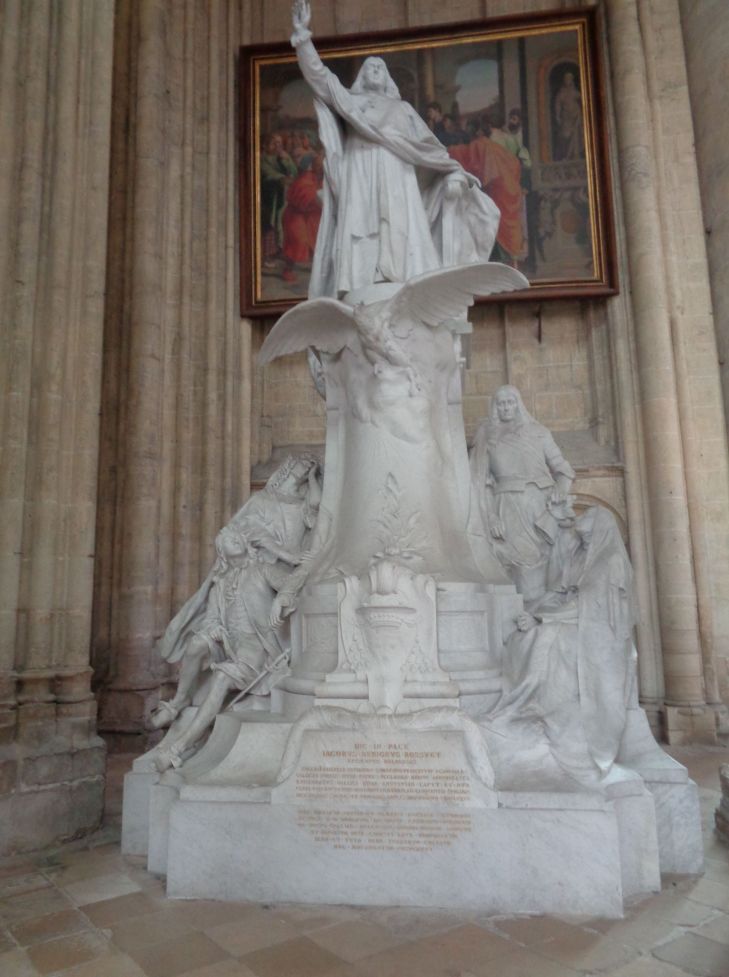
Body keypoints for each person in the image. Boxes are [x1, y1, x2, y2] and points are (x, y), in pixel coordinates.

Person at [290, 0, 500, 298]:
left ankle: (396, 276)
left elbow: (430, 148)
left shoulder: (402, 109)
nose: (375, 68)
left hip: (395, 173)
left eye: (380, 66)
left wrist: (455, 172)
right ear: (362, 76)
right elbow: (320, 77)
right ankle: (360, 281)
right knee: (360, 228)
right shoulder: (350, 101)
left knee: (396, 226)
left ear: (387, 78)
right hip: (360, 170)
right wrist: (303, 38)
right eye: (370, 66)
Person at [150, 456, 322, 768]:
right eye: (226, 537)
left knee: (221, 678)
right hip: (228, 637)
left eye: (233, 536)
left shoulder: (263, 568)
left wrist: (288, 585)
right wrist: (214, 628)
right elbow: (217, 611)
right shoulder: (225, 578)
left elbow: (288, 580)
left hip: (255, 646)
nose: (229, 535)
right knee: (195, 645)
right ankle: (179, 701)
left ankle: (179, 747)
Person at [497, 507, 635, 783]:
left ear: (599, 527)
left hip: (597, 634)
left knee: (548, 640)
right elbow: (561, 593)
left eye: (586, 519)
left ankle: (535, 710)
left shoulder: (609, 561)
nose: (578, 522)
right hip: (575, 621)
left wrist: (539, 618)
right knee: (527, 639)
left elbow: (589, 606)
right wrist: (535, 610)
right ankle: (526, 709)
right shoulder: (579, 554)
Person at [470, 385, 574, 602]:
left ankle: (538, 617)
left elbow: (563, 469)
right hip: (508, 506)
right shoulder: (487, 435)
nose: (506, 408)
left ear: (519, 404)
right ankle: (522, 620)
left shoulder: (539, 432)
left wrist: (561, 489)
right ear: (495, 407)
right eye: (501, 403)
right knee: (520, 562)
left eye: (510, 402)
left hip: (541, 506)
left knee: (547, 561)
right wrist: (490, 516)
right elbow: (479, 482)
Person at [553, 71, 583, 161]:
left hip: (576, 115)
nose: (568, 80)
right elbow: (557, 104)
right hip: (566, 117)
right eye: (566, 79)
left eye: (569, 79)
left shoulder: (574, 91)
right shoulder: (561, 93)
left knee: (576, 134)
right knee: (566, 135)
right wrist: (557, 116)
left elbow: (582, 99)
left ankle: (575, 155)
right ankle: (566, 155)